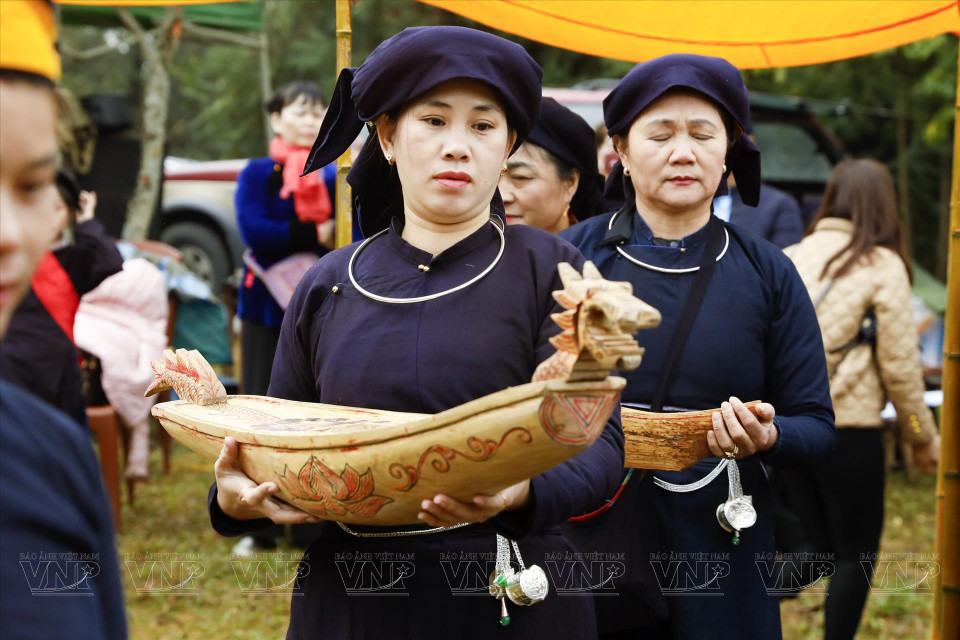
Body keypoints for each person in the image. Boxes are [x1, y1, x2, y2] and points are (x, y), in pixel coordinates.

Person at [206, 26, 625, 640]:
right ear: (388, 137)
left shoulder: (560, 273)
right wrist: (231, 498)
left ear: (509, 143)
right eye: (433, 121)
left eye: (483, 127)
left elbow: (599, 444)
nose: (457, 147)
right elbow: (279, 434)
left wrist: (518, 492)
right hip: (351, 602)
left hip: (508, 595)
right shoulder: (327, 284)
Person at [559, 54, 835, 639]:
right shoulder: (572, 260)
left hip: (721, 544)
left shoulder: (768, 272)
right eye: (660, 135)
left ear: (729, 149)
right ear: (623, 152)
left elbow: (815, 424)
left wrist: (769, 434)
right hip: (591, 535)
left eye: (702, 134)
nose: (683, 152)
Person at [0, 2, 127, 637]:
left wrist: (87, 219)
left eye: (28, 187)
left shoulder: (53, 460)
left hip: (52, 397)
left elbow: (108, 258)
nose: (7, 234)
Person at [781, 158, 939, 640]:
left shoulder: (789, 255)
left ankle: (738, 599)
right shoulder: (881, 264)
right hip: (850, 430)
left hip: (788, 429)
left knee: (817, 546)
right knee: (856, 553)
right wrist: (919, 435)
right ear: (882, 206)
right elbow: (899, 365)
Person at [236, 82, 335, 398]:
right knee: (262, 388)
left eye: (319, 113)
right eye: (302, 112)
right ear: (277, 120)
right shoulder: (258, 173)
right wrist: (317, 234)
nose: (311, 121)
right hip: (267, 299)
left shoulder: (336, 174)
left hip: (321, 298)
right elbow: (254, 230)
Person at [0, 169, 123, 426]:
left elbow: (109, 260)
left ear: (68, 214)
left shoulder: (75, 259)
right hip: (10, 368)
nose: (46, 216)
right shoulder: (9, 255)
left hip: (58, 374)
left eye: (56, 208)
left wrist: (87, 219)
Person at [499, 97, 603, 231]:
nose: (501, 195)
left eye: (521, 177)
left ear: (570, 183)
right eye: (490, 176)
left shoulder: (600, 250)